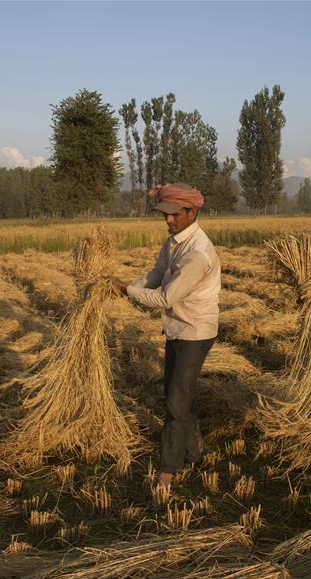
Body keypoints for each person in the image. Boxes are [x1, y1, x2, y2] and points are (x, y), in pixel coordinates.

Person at [113, 183, 221, 491]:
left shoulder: (198, 253)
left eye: (175, 215)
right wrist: (129, 287)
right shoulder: (173, 242)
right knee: (179, 394)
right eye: (165, 214)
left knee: (175, 400)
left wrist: (126, 290)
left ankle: (168, 470)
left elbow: (164, 297)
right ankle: (196, 453)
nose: (168, 221)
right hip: (177, 328)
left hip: (195, 331)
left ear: (192, 213)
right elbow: (156, 274)